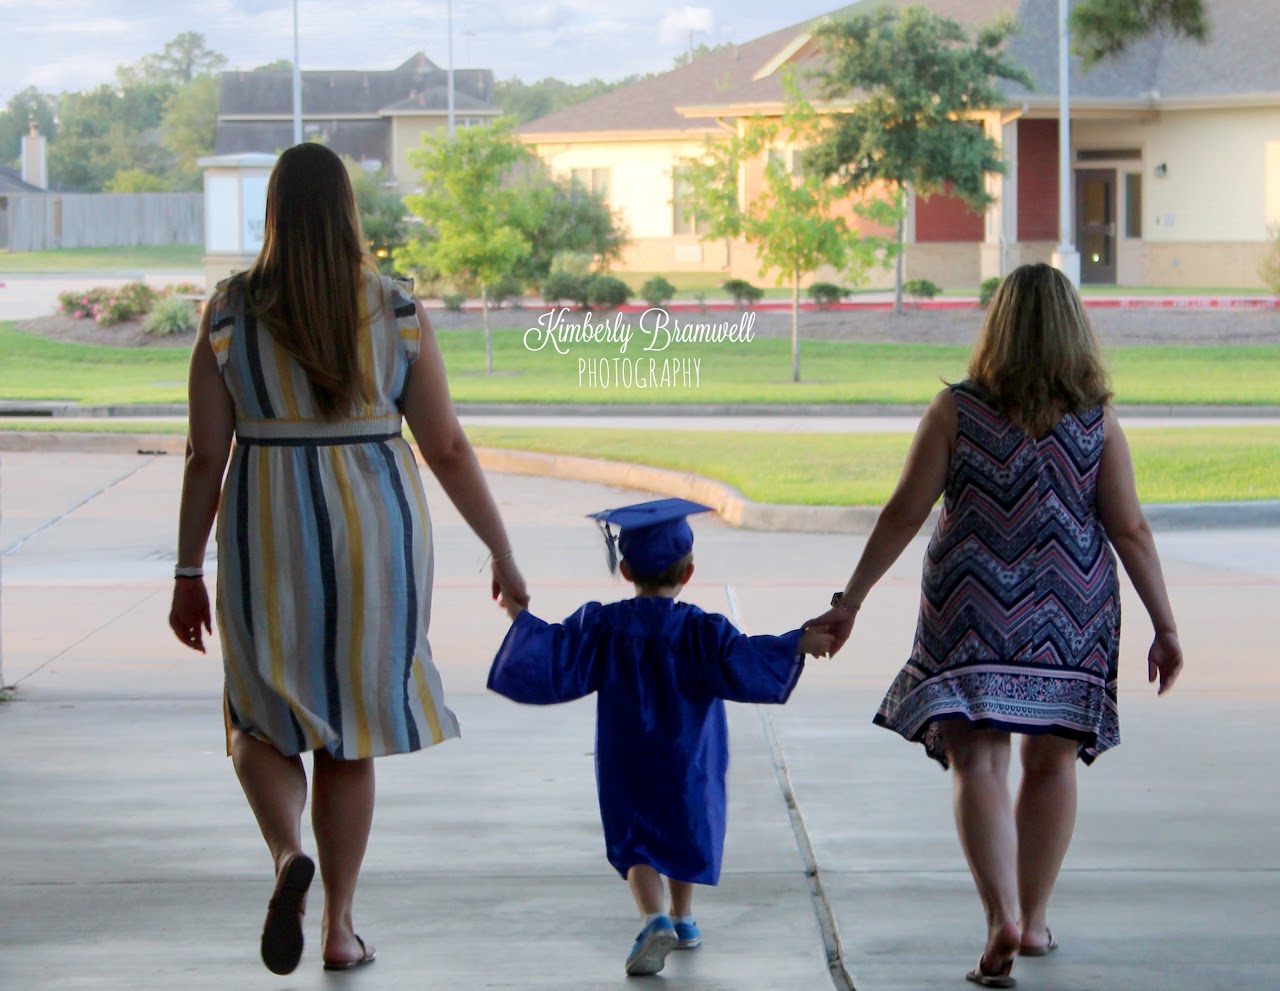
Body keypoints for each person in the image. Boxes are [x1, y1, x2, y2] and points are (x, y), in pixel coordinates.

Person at [167, 142, 527, 975]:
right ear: (347, 212)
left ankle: (287, 850)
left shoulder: (228, 313)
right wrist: (500, 549)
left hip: (267, 530)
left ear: (274, 213)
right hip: (378, 537)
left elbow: (201, 457)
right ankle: (338, 926)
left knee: (258, 717)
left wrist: (188, 570)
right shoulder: (394, 308)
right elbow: (447, 447)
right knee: (349, 735)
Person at [811, 263, 1183, 988]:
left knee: (977, 761)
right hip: (1070, 611)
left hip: (971, 603)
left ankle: (1000, 916)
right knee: (1050, 764)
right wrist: (1165, 625)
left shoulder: (956, 409)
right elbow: (1130, 528)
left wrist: (850, 599)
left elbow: (902, 512)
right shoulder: (1096, 420)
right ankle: (1035, 920)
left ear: (998, 325)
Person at [487, 498, 833, 977]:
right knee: (683, 827)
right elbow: (743, 656)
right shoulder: (700, 630)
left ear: (625, 569)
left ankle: (654, 919)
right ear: (688, 573)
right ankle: (685, 918)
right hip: (688, 756)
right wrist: (798, 641)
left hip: (627, 757)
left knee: (637, 840)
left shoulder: (604, 625)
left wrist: (517, 618)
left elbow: (558, 652)